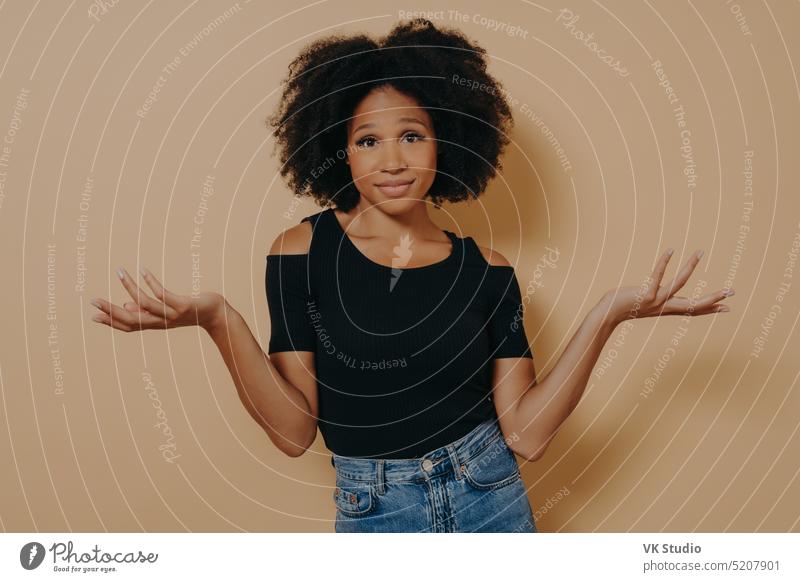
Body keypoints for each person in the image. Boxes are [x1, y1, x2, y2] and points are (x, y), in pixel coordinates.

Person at [89, 19, 734, 533]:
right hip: (377, 510)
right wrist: (218, 321)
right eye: (367, 140)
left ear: (445, 143)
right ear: (338, 149)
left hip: (493, 501)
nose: (391, 160)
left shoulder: (490, 273)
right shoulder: (298, 253)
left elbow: (527, 435)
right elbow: (292, 432)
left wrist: (608, 314)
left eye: (412, 136)